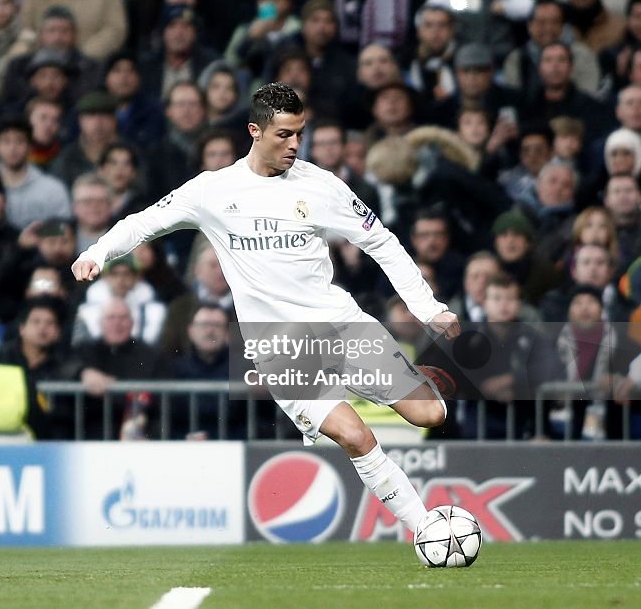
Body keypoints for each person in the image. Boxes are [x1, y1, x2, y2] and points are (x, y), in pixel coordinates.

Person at [73, 82, 460, 542]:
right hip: (280, 346)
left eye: (300, 133)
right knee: (354, 435)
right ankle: (427, 531)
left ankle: (406, 379)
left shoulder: (322, 187)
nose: (295, 144)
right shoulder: (213, 190)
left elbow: (380, 241)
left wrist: (427, 308)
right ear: (254, 131)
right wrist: (99, 252)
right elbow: (145, 221)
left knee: (429, 416)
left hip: (340, 323)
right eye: (284, 135)